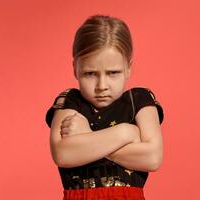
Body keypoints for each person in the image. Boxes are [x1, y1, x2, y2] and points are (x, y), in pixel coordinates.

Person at [45, 14, 164, 200]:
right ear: (75, 68)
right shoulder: (71, 101)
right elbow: (63, 154)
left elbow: (152, 158)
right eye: (90, 73)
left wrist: (88, 136)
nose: (102, 85)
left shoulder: (139, 101)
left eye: (113, 73)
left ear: (128, 67)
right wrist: (126, 133)